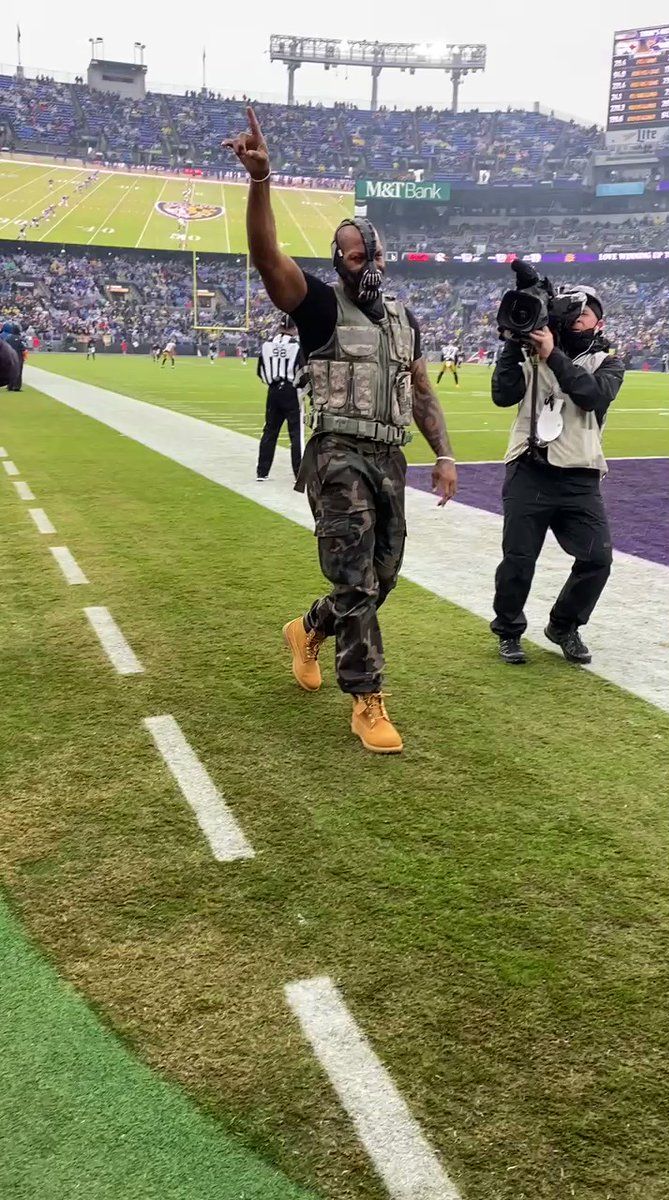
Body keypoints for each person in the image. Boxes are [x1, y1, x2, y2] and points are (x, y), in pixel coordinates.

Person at [225, 107, 458, 754]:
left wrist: (442, 452)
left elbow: (418, 388)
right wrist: (260, 184)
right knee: (355, 576)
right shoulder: (320, 304)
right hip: (335, 455)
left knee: (378, 581)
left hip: (389, 459)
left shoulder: (404, 321)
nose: (364, 260)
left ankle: (308, 630)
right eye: (351, 253)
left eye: (369, 250)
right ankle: (366, 699)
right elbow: (266, 257)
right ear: (338, 260)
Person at [490, 284, 624, 666]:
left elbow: (592, 396)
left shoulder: (609, 363)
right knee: (518, 559)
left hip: (580, 475)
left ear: (600, 321)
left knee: (598, 558)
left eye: (586, 310)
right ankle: (509, 631)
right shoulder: (532, 351)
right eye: (573, 308)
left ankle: (563, 625)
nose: (578, 315)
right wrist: (514, 343)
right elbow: (502, 395)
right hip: (529, 467)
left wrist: (553, 355)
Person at [256, 316, 303, 481]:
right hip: (291, 390)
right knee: (296, 433)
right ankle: (299, 473)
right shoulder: (296, 346)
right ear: (294, 328)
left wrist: (272, 383)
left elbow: (260, 371)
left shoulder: (267, 345)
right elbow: (303, 371)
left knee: (269, 431)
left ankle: (262, 472)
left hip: (273, 389)